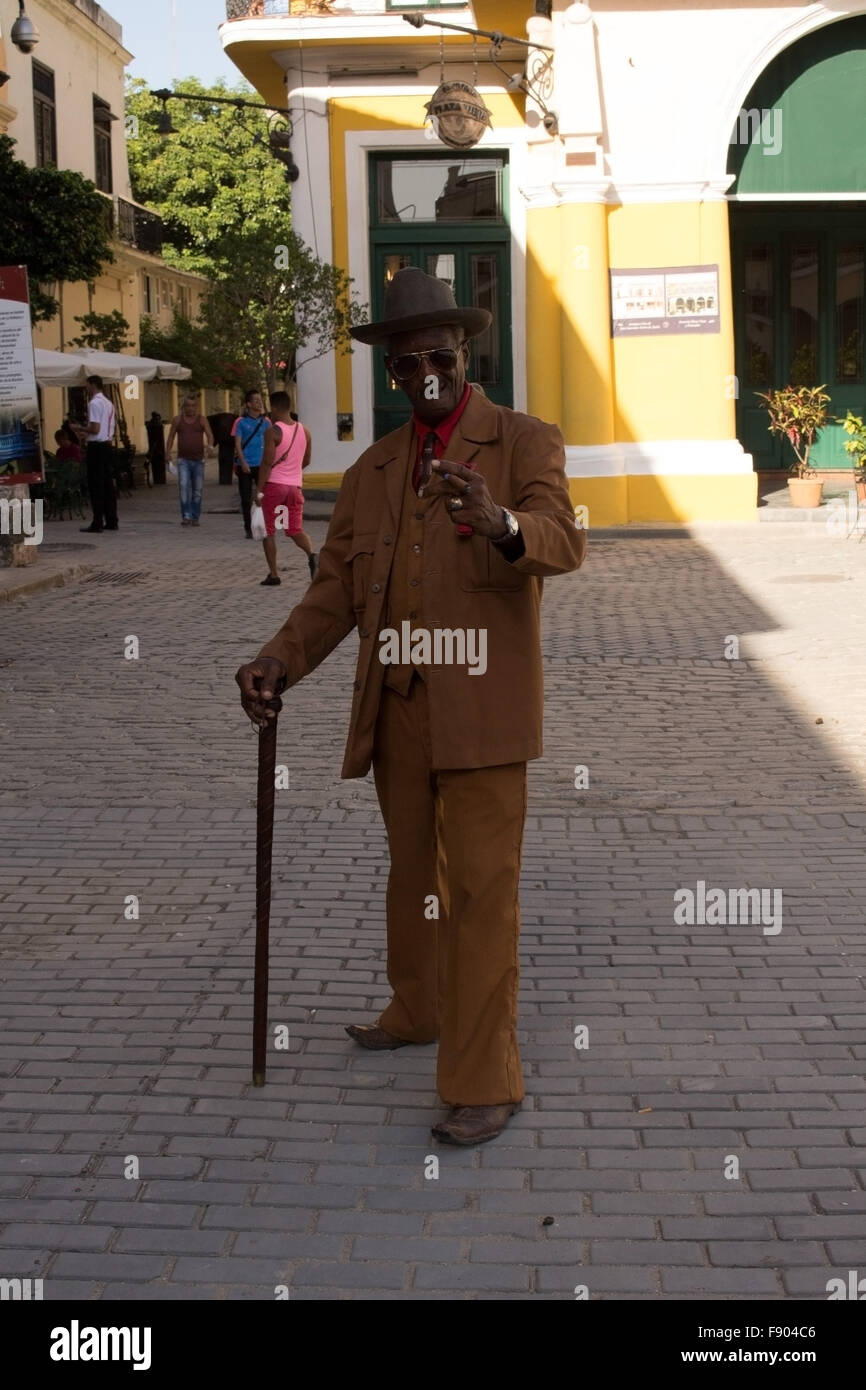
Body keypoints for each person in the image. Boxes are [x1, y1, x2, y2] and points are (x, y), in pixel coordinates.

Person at [236, 267, 587, 1146]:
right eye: (404, 364)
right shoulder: (373, 470)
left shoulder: (522, 442)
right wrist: (279, 659)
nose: (423, 374)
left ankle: (482, 1078)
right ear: (391, 373)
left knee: (479, 891)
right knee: (412, 880)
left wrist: (502, 523)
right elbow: (332, 591)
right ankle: (419, 1006)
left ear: (464, 353)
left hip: (485, 712)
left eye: (438, 355)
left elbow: (562, 540)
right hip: (397, 706)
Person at [255, 391, 317, 586]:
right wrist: (292, 473)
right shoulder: (304, 431)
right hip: (295, 488)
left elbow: (267, 463)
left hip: (274, 487)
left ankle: (274, 574)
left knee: (269, 530)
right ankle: (313, 555)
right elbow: (306, 460)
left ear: (274, 408)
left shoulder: (273, 432)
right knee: (293, 529)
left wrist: (259, 490)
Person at [75, 376, 118, 534]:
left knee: (96, 485)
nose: (86, 389)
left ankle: (97, 521)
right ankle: (112, 519)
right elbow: (104, 429)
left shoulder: (94, 403)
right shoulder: (109, 403)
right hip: (107, 445)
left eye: (87, 385)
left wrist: (80, 428)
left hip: (96, 448)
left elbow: (95, 429)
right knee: (108, 485)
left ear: (93, 385)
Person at [165, 394, 214, 527]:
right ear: (183, 407)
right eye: (188, 406)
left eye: (193, 406)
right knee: (184, 487)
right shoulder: (177, 420)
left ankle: (195, 516)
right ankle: (186, 515)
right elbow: (170, 437)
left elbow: (210, 435)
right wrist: (167, 453)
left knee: (197, 490)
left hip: (198, 460)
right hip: (183, 460)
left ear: (196, 407)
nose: (190, 408)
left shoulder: (202, 420)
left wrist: (209, 447)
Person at [232, 390, 271, 538]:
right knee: (246, 497)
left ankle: (265, 525)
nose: (259, 403)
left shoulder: (266, 422)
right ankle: (248, 527)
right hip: (246, 465)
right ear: (248, 404)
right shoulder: (240, 422)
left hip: (262, 464)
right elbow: (237, 444)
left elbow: (271, 443)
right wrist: (243, 462)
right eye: (256, 401)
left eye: (260, 400)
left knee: (263, 496)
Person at [145, 412, 166, 486]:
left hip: (156, 448)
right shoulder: (155, 425)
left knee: (158, 466)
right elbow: (155, 438)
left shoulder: (152, 425)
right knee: (157, 466)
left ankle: (159, 480)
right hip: (157, 448)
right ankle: (159, 480)